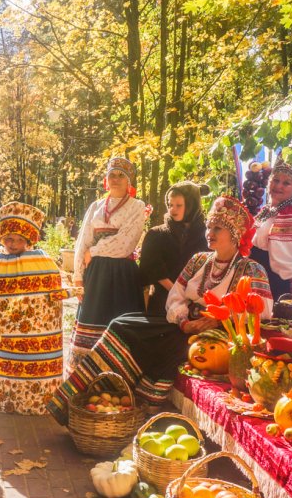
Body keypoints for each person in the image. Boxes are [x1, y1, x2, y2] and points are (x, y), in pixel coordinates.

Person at [49, 196, 273, 420]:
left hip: (222, 336)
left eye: (218, 228)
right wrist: (184, 321)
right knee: (122, 324)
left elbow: (262, 310)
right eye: (208, 227)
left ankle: (140, 401)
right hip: (185, 325)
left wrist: (219, 320)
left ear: (235, 235)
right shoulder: (199, 260)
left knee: (171, 346)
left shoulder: (252, 269)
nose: (209, 233)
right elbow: (175, 297)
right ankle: (75, 401)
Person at [0, 202, 74, 415]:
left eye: (19, 239)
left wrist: (67, 292)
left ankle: (31, 400)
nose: (13, 244)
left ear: (29, 239)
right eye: (8, 238)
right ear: (1, 237)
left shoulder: (41, 261)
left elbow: (49, 295)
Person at [68, 156, 147, 373]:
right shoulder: (96, 206)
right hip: (95, 275)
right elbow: (82, 241)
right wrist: (78, 275)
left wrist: (93, 251)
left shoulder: (136, 207)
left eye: (121, 175)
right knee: (90, 321)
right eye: (112, 174)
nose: (116, 179)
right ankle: (85, 378)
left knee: (118, 325)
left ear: (129, 181)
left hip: (121, 275)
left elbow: (126, 242)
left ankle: (119, 378)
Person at [250, 153, 292, 301]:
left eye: (286, 183)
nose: (278, 186)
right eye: (275, 180)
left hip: (277, 288)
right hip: (255, 282)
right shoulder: (267, 211)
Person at [139, 181, 209, 316]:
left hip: (197, 304)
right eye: (170, 205)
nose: (173, 209)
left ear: (191, 206)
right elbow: (153, 269)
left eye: (179, 205)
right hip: (163, 301)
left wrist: (193, 298)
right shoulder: (156, 234)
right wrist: (178, 294)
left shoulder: (207, 235)